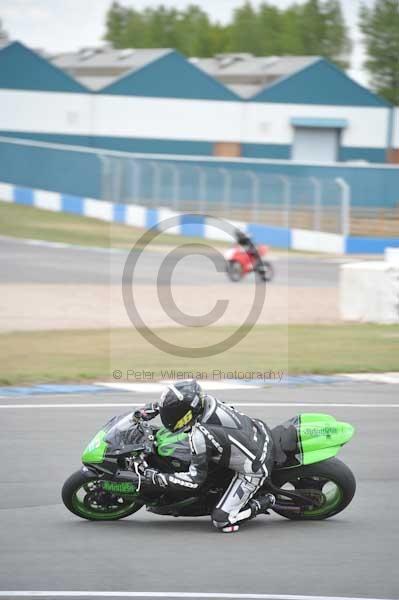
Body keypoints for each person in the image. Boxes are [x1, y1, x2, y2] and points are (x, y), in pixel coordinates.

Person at [138, 380, 275, 533]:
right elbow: (181, 404)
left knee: (221, 520)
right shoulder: (208, 401)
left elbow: (195, 481)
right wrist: (154, 408)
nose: (169, 417)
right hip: (260, 430)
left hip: (255, 467)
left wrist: (159, 478)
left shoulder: (199, 435)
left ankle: (265, 501)